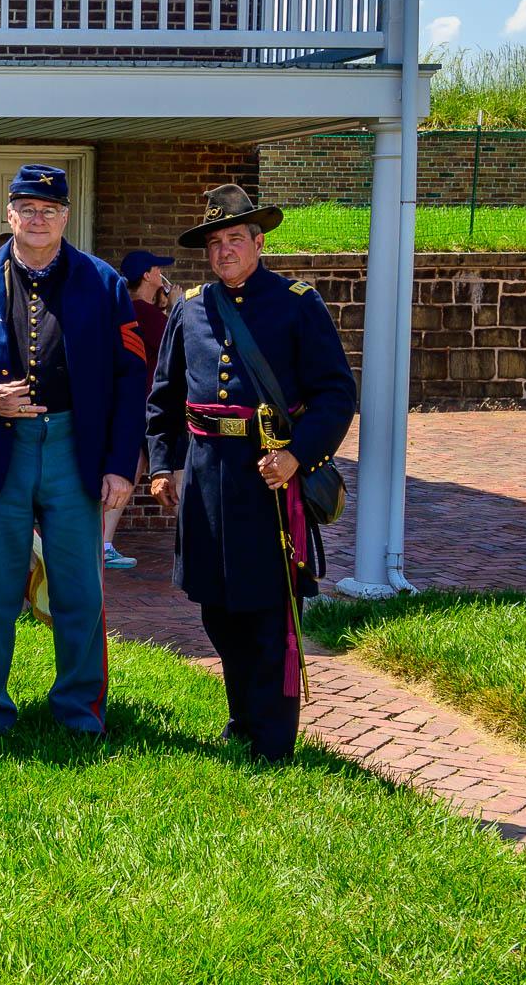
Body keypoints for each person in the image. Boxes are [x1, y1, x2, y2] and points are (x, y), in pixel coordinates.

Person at [147, 184, 355, 763]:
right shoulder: (190, 307)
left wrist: (297, 456)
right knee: (218, 609)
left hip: (269, 483)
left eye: (235, 238)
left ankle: (272, 741)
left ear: (258, 242)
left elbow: (337, 394)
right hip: (210, 483)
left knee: (268, 611)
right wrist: (165, 466)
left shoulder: (296, 303)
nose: (224, 251)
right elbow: (163, 399)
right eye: (215, 243)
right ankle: (241, 719)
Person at [0, 165, 146, 737]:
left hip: (73, 447)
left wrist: (119, 464)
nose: (37, 219)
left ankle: (80, 710)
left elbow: (133, 380)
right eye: (27, 209)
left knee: (80, 586)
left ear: (65, 216)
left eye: (48, 210)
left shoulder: (103, 283)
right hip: (0, 447)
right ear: (10, 214)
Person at [100, 249, 176, 570]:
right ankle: (101, 542)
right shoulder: (146, 312)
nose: (162, 274)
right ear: (147, 275)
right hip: (146, 405)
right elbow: (178, 343)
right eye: (158, 269)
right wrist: (175, 307)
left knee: (133, 468)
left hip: (132, 403)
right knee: (132, 471)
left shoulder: (127, 309)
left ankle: (102, 542)